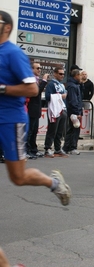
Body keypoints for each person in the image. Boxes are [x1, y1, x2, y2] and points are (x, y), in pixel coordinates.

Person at [0, 10, 71, 205]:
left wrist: (3, 89)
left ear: (6, 27)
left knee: (18, 176)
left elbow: (32, 89)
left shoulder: (13, 53)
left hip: (10, 120)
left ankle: (54, 183)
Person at [43, 67, 68, 158]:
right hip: (54, 110)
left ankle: (57, 148)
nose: (62, 76)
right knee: (52, 130)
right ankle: (47, 148)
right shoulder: (51, 84)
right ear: (55, 74)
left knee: (60, 131)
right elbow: (48, 97)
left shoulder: (61, 85)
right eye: (60, 74)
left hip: (62, 109)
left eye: (63, 74)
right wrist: (60, 96)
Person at [26, 62, 48, 159]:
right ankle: (26, 150)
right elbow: (36, 92)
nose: (39, 70)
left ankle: (33, 149)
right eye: (37, 68)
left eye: (40, 68)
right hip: (31, 108)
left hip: (36, 108)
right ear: (32, 69)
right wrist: (44, 81)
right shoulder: (31, 80)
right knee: (29, 131)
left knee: (34, 131)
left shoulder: (37, 80)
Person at [62, 69, 83, 155]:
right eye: (80, 75)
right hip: (73, 111)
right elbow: (74, 100)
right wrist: (77, 112)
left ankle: (69, 147)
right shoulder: (72, 86)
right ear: (76, 75)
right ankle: (70, 147)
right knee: (73, 129)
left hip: (74, 110)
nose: (81, 77)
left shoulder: (75, 85)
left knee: (73, 129)